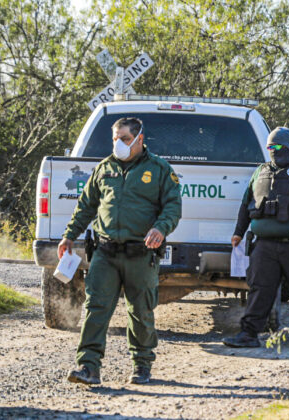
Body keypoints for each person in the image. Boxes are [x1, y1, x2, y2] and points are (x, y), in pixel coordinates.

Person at [59, 117, 182, 385]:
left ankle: (142, 366)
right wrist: (69, 235)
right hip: (105, 252)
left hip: (141, 253)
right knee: (96, 308)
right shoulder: (104, 168)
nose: (119, 144)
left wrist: (161, 228)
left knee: (141, 311)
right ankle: (88, 367)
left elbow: (173, 206)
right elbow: (86, 206)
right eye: (115, 139)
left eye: (124, 139)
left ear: (139, 139)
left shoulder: (159, 170)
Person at [223, 127, 289, 348]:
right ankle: (248, 334)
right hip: (264, 245)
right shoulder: (260, 171)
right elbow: (246, 204)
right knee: (260, 288)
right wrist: (238, 232)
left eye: (278, 147)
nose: (273, 151)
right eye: (270, 147)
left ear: (288, 147)